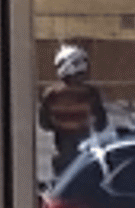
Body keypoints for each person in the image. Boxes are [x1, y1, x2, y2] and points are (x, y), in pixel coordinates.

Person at [38, 44, 108, 176]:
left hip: (62, 152)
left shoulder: (50, 94)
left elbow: (44, 124)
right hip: (86, 154)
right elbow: (102, 124)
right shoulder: (91, 93)